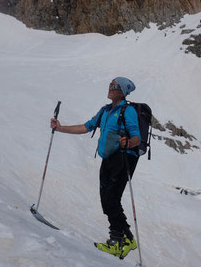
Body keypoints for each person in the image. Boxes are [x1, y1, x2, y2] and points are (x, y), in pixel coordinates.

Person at [50, 77, 140, 258]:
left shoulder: (127, 110)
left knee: (111, 199)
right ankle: (128, 239)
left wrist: (128, 143)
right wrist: (60, 128)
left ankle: (116, 242)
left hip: (124, 158)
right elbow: (86, 127)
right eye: (110, 85)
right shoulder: (105, 111)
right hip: (108, 158)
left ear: (121, 92)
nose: (110, 88)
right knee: (106, 200)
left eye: (114, 86)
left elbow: (136, 135)